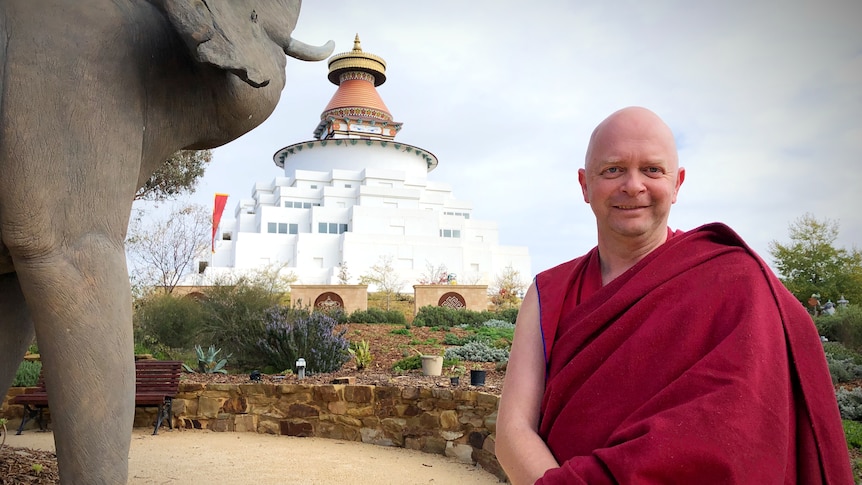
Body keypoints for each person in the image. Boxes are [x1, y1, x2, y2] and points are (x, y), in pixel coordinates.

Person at [495, 106, 852, 484]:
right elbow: (513, 431)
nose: (633, 185)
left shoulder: (733, 281)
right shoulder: (549, 291)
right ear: (584, 185)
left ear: (677, 183)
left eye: (652, 169)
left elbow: (739, 437)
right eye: (613, 169)